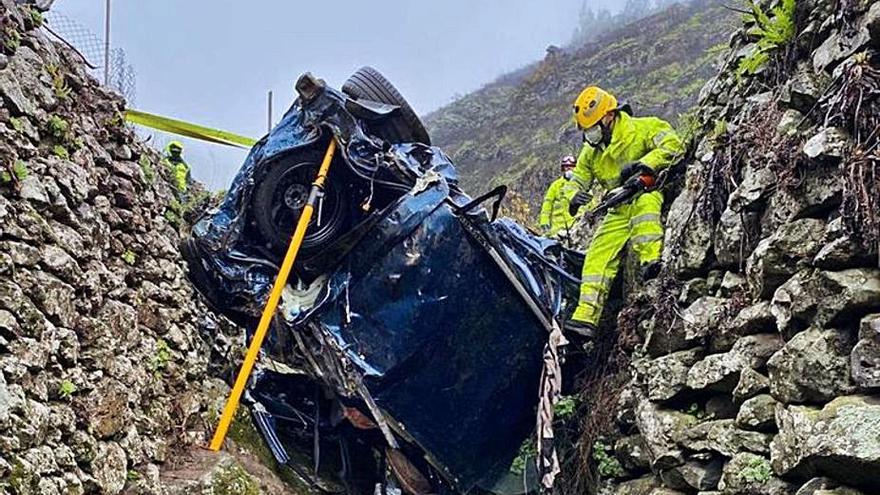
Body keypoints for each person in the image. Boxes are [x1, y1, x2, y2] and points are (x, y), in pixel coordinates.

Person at [565, 86, 684, 338]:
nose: (590, 134)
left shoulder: (645, 127)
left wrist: (645, 165)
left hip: (645, 193)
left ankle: (650, 262)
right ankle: (585, 317)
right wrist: (573, 195)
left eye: (593, 126)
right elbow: (578, 179)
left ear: (609, 116)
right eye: (586, 129)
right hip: (617, 209)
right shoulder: (591, 153)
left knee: (646, 211)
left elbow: (673, 145)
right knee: (597, 256)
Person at [538, 155, 581, 240]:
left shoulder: (581, 184)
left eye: (572, 166)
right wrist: (544, 221)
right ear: (563, 168)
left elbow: (590, 203)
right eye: (566, 167)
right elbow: (547, 203)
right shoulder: (556, 185)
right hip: (558, 231)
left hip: (577, 229)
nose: (569, 169)